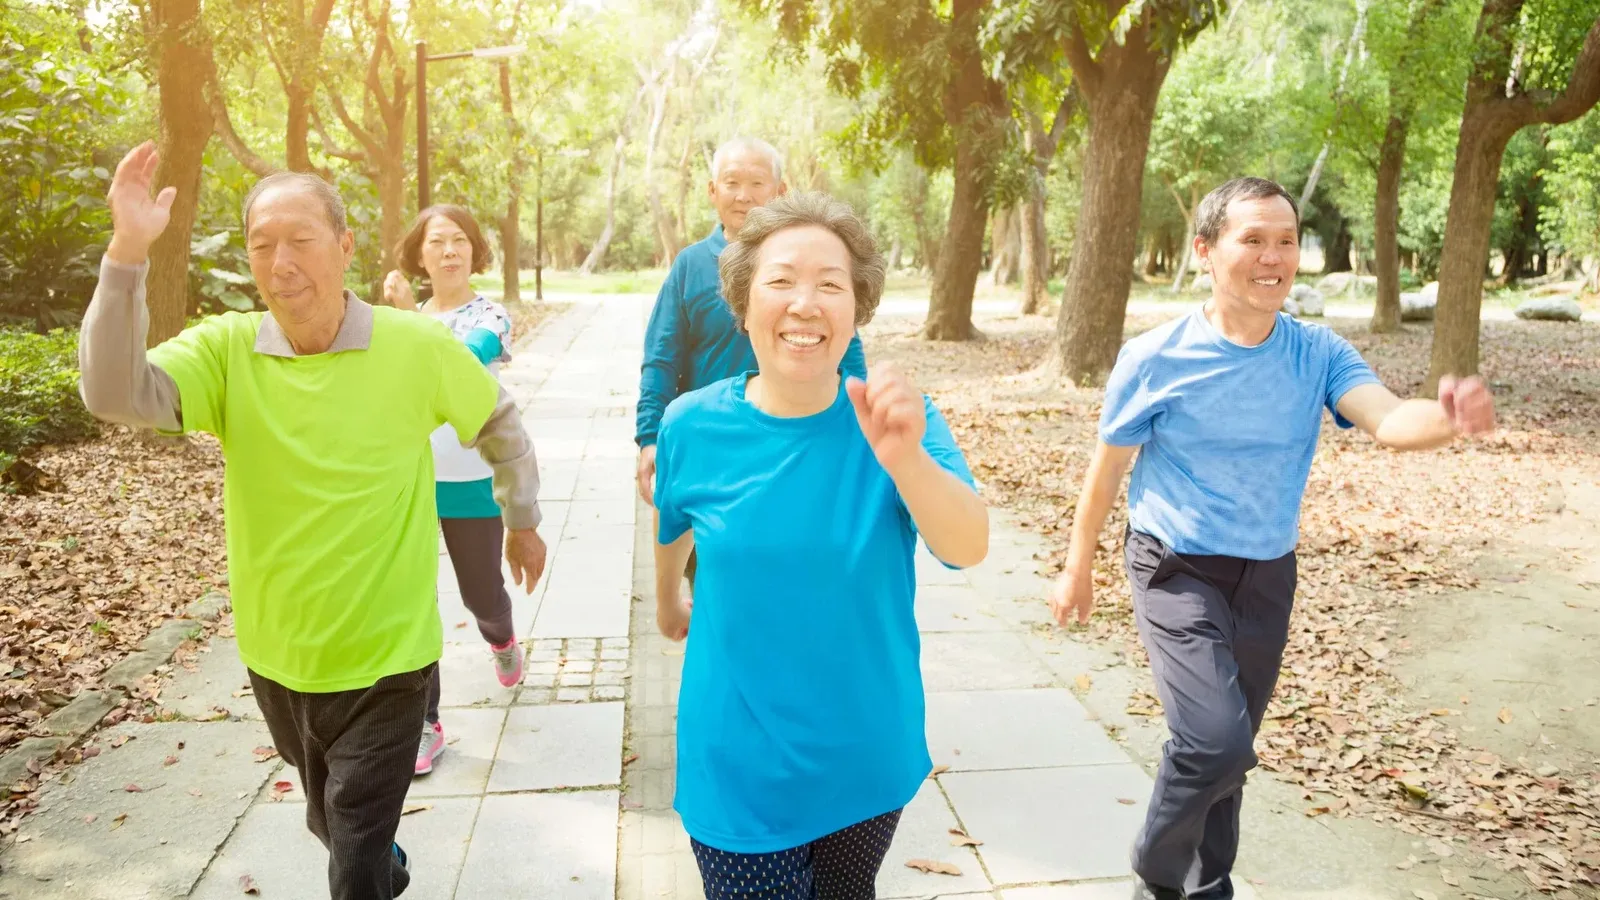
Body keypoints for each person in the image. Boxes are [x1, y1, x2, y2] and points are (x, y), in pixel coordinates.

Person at [78, 142, 548, 900]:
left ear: (346, 245)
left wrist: (520, 518)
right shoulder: (228, 351)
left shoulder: (414, 346)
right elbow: (111, 393)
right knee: (333, 822)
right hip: (279, 657)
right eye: (263, 245)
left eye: (301, 239)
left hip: (390, 658)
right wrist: (128, 251)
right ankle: (383, 862)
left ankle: (372, 863)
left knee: (352, 852)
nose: (282, 262)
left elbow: (498, 419)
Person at [1046, 177, 1496, 900]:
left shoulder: (1316, 351)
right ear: (1205, 251)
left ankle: (1208, 886)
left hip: (1265, 573)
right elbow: (1106, 472)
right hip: (1174, 566)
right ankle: (1157, 878)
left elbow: (1387, 418)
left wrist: (1448, 419)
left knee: (1230, 754)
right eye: (1252, 239)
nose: (1273, 256)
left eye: (1285, 241)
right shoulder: (1157, 357)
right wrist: (1079, 567)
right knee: (1213, 741)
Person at [651, 192, 989, 900]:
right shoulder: (690, 425)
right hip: (737, 764)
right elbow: (673, 521)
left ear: (857, 309)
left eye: (830, 284)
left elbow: (967, 545)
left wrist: (905, 461)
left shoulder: (898, 423)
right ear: (743, 304)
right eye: (781, 280)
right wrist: (667, 602)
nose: (805, 303)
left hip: (865, 756)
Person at [635, 137, 870, 513]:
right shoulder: (690, 266)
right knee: (702, 546)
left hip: (801, 441)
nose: (743, 196)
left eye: (757, 183)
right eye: (731, 182)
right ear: (712, 191)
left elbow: (847, 349)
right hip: (712, 443)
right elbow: (661, 358)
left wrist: (861, 425)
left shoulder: (810, 261)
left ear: (781, 190)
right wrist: (650, 437)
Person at [381, 205, 524, 777]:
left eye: (459, 240)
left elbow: (459, 364)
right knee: (414, 604)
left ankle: (502, 638)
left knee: (480, 594)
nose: (449, 251)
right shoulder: (402, 321)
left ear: (474, 250)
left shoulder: (491, 317)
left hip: (471, 479)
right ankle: (426, 722)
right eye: (437, 241)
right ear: (419, 256)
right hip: (411, 479)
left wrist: (402, 318)